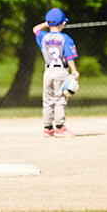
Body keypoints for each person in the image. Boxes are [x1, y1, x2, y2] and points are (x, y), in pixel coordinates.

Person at [33, 8, 79, 138]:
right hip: (61, 71)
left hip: (48, 71)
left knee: (47, 100)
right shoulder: (65, 38)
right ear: (63, 23)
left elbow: (35, 29)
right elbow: (70, 57)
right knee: (60, 99)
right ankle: (59, 127)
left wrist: (48, 23)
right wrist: (74, 71)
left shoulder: (43, 37)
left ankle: (47, 128)